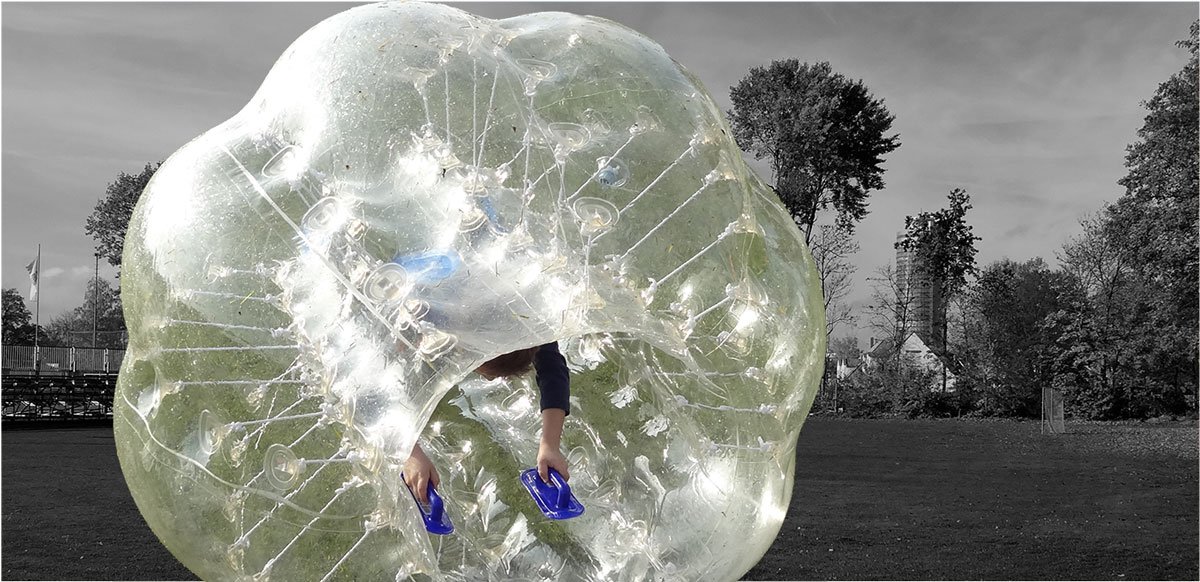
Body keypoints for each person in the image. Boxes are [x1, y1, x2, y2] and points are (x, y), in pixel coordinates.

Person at [403, 342, 571, 503]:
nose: (490, 381)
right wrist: (410, 454)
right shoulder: (425, 322)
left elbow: (552, 368)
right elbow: (381, 393)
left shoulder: (533, 323)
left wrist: (550, 445)